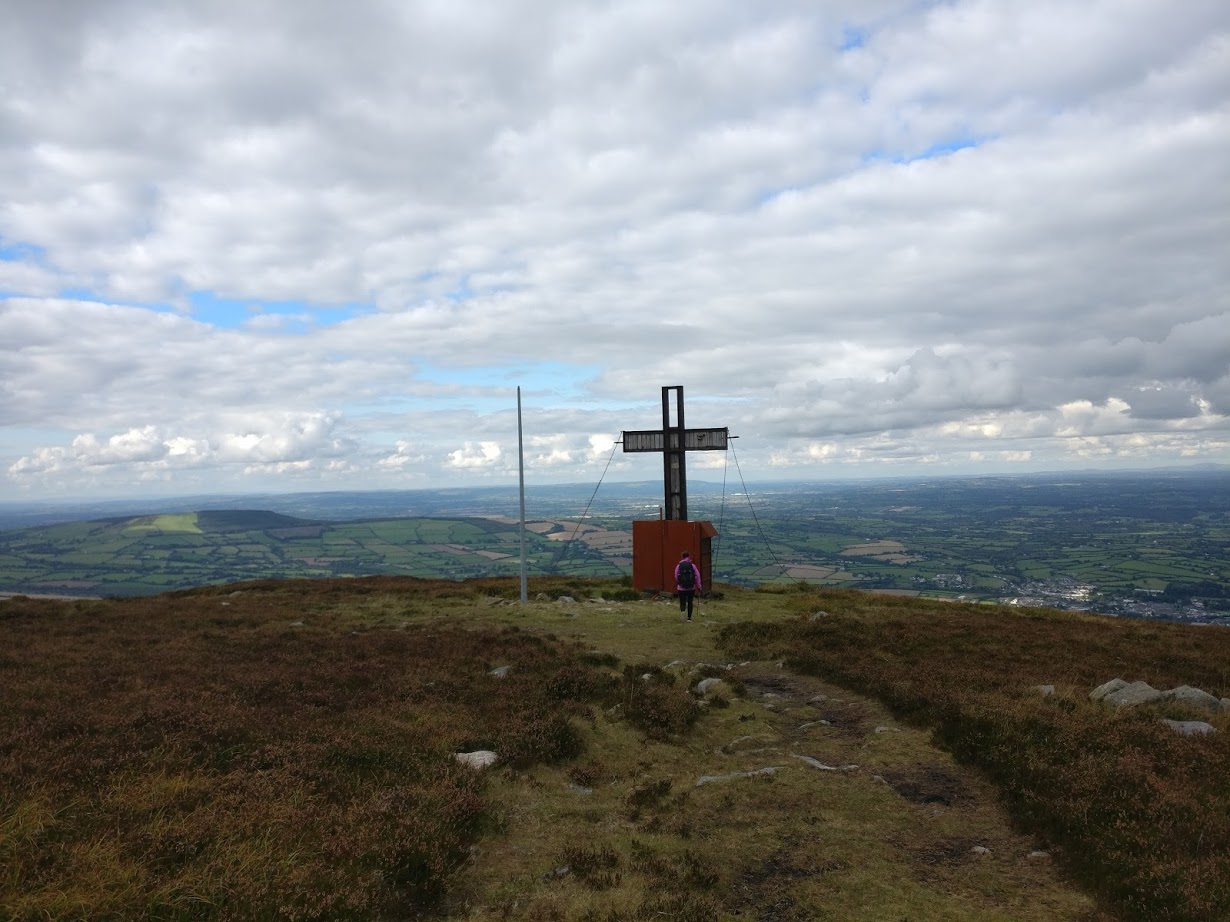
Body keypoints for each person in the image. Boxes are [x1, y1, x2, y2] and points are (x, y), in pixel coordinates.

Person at [674, 551, 702, 622]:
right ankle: (689, 618)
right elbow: (697, 576)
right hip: (691, 588)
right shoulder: (692, 566)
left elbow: (676, 576)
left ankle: (683, 612)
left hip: (681, 588)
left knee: (682, 601)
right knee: (690, 602)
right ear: (688, 556)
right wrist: (699, 586)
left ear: (682, 556)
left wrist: (680, 583)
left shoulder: (679, 565)